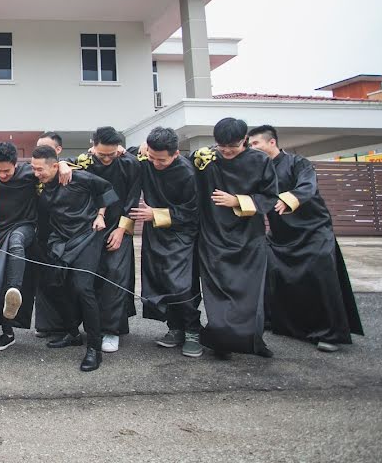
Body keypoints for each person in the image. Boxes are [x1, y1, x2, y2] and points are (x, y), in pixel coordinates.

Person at [248, 124, 363, 352]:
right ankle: (281, 323)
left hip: (314, 230)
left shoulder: (298, 163)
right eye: (250, 144)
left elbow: (307, 187)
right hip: (281, 234)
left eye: (255, 143)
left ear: (271, 142)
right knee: (276, 275)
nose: (252, 148)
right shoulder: (258, 169)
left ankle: (330, 333)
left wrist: (288, 199)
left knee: (321, 275)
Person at [192, 117, 279, 359]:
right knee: (217, 293)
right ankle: (221, 342)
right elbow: (172, 162)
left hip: (249, 238)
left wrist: (237, 201)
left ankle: (253, 341)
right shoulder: (205, 159)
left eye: (233, 146)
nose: (227, 151)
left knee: (249, 294)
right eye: (222, 146)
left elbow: (270, 196)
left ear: (244, 140)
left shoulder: (260, 160)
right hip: (213, 235)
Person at [32, 145, 117, 372]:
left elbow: (106, 189)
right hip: (59, 239)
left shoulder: (77, 176)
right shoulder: (41, 185)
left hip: (87, 235)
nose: (36, 173)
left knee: (82, 288)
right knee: (52, 284)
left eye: (40, 169)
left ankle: (94, 349)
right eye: (33, 169)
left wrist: (100, 215)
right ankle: (72, 332)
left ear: (53, 165)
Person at [127, 127, 203, 358]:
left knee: (181, 283)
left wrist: (156, 214)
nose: (155, 163)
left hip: (182, 234)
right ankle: (175, 328)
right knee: (160, 281)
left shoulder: (188, 173)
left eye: (162, 160)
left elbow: (192, 212)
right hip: (155, 232)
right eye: (151, 157)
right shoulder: (145, 159)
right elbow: (124, 154)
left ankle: (193, 331)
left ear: (176, 154)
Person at [71, 127, 141, 355]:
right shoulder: (83, 162)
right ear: (93, 145)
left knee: (114, 275)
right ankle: (89, 326)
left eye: (112, 154)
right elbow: (64, 168)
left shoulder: (129, 163)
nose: (108, 159)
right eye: (103, 155)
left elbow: (132, 200)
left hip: (118, 225)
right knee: (88, 277)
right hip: (90, 226)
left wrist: (122, 230)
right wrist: (62, 165)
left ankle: (112, 330)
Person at [0, 142, 42, 351]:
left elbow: (53, 165)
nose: (2, 175)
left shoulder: (28, 173)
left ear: (17, 164)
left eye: (7, 171)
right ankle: (7, 333)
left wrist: (65, 166)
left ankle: (15, 287)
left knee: (16, 242)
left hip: (23, 228)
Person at [33, 131, 67, 338]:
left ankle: (67, 327)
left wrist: (63, 165)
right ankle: (46, 325)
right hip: (41, 232)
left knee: (62, 280)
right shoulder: (36, 171)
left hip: (63, 233)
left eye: (46, 148)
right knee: (43, 281)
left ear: (58, 151)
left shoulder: (68, 170)